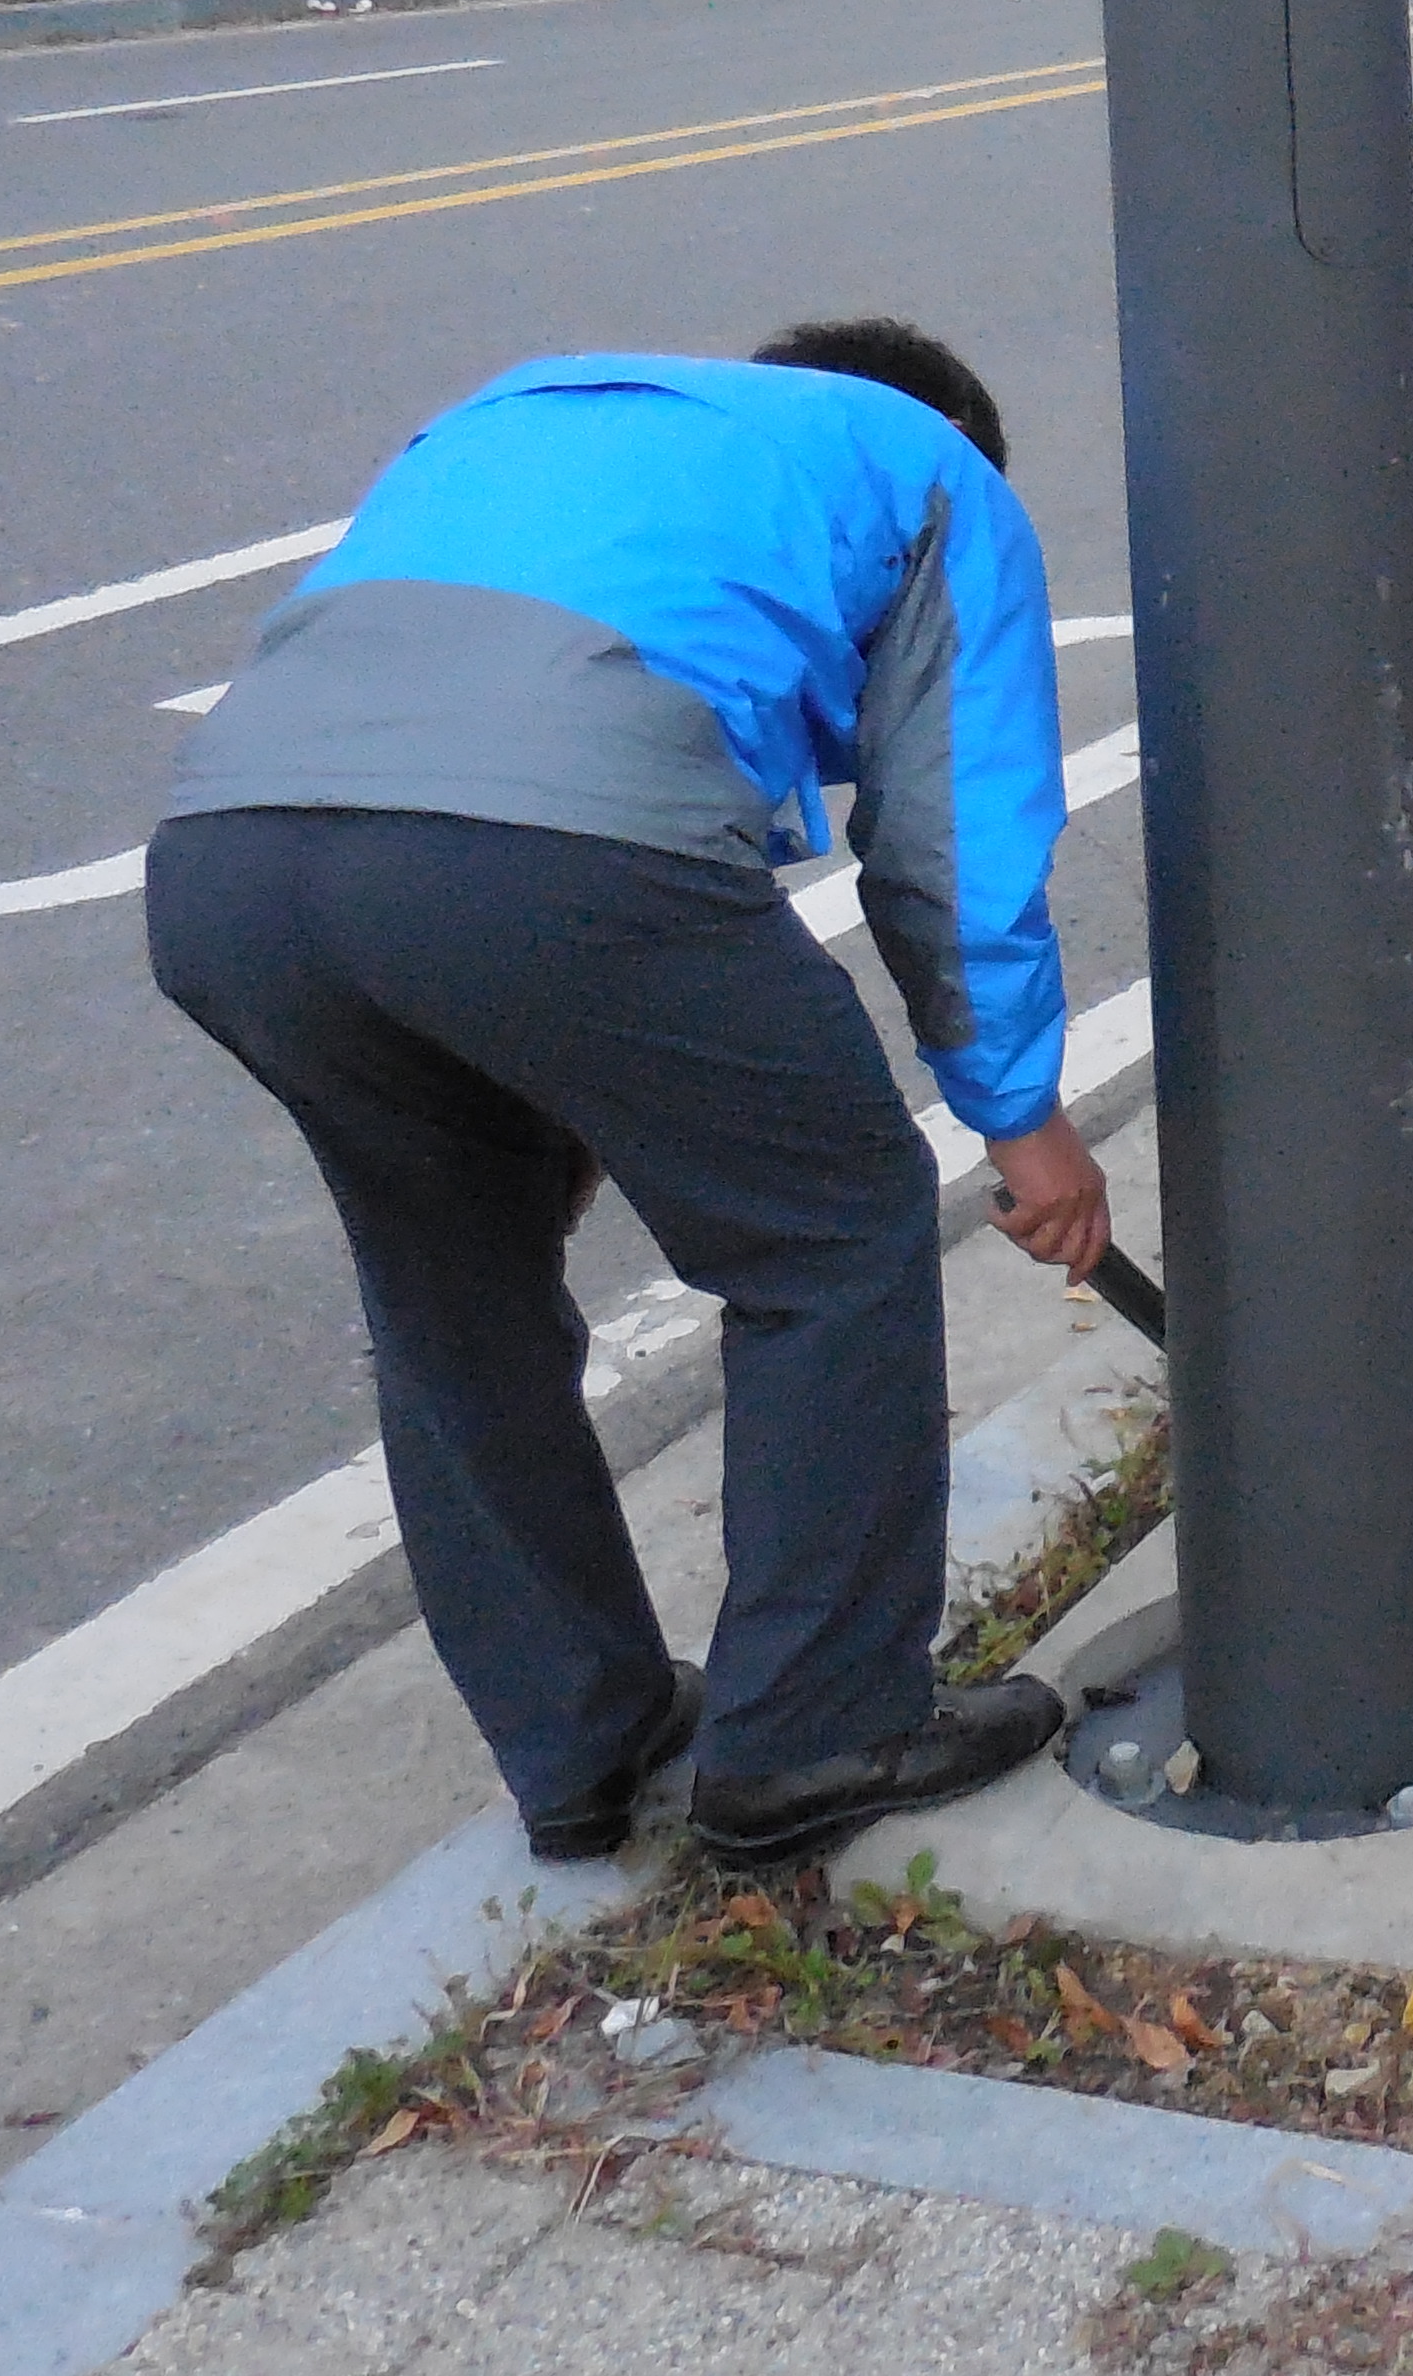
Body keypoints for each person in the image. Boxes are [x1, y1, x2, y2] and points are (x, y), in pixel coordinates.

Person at [147, 319, 1111, 1864]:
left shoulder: (526, 402)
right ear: (952, 431)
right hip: (554, 852)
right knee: (831, 1238)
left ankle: (577, 1738)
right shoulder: (937, 476)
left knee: (450, 1296)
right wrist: (1021, 1114)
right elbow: (949, 836)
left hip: (229, 865)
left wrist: (553, 1071)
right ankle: (817, 1732)